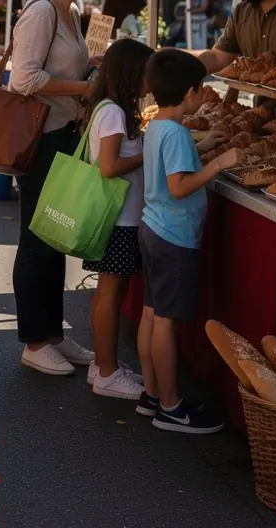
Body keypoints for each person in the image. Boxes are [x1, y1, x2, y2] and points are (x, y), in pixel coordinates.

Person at [9, 0, 103, 375]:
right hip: (40, 139)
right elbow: (23, 79)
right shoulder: (41, 11)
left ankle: (53, 336)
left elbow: (63, 68)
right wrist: (83, 87)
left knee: (56, 237)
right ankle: (33, 341)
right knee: (36, 239)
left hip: (64, 134)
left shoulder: (74, 10)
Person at [138, 49, 242, 433]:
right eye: (201, 89)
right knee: (165, 322)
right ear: (191, 93)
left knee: (152, 314)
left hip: (153, 229)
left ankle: (152, 395)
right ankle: (170, 406)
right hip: (173, 236)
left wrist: (203, 148)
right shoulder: (177, 132)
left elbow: (171, 169)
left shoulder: (159, 127)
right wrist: (218, 163)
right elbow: (178, 185)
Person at [83, 38, 153, 401]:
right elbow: (109, 166)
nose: (150, 82)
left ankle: (102, 364)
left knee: (112, 289)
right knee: (110, 291)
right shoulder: (112, 112)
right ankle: (107, 371)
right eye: (146, 74)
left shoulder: (111, 109)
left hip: (121, 216)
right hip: (118, 218)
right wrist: (147, 153)